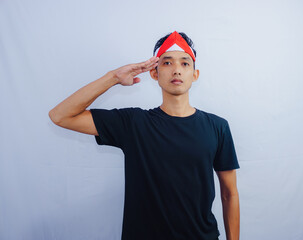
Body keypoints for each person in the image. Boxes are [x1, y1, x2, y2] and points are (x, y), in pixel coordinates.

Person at [49, 31, 240, 240]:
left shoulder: (217, 127)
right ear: (154, 73)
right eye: (167, 63)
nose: (176, 70)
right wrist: (112, 77)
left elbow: (229, 194)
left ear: (195, 74)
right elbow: (60, 116)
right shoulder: (133, 123)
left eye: (185, 63)